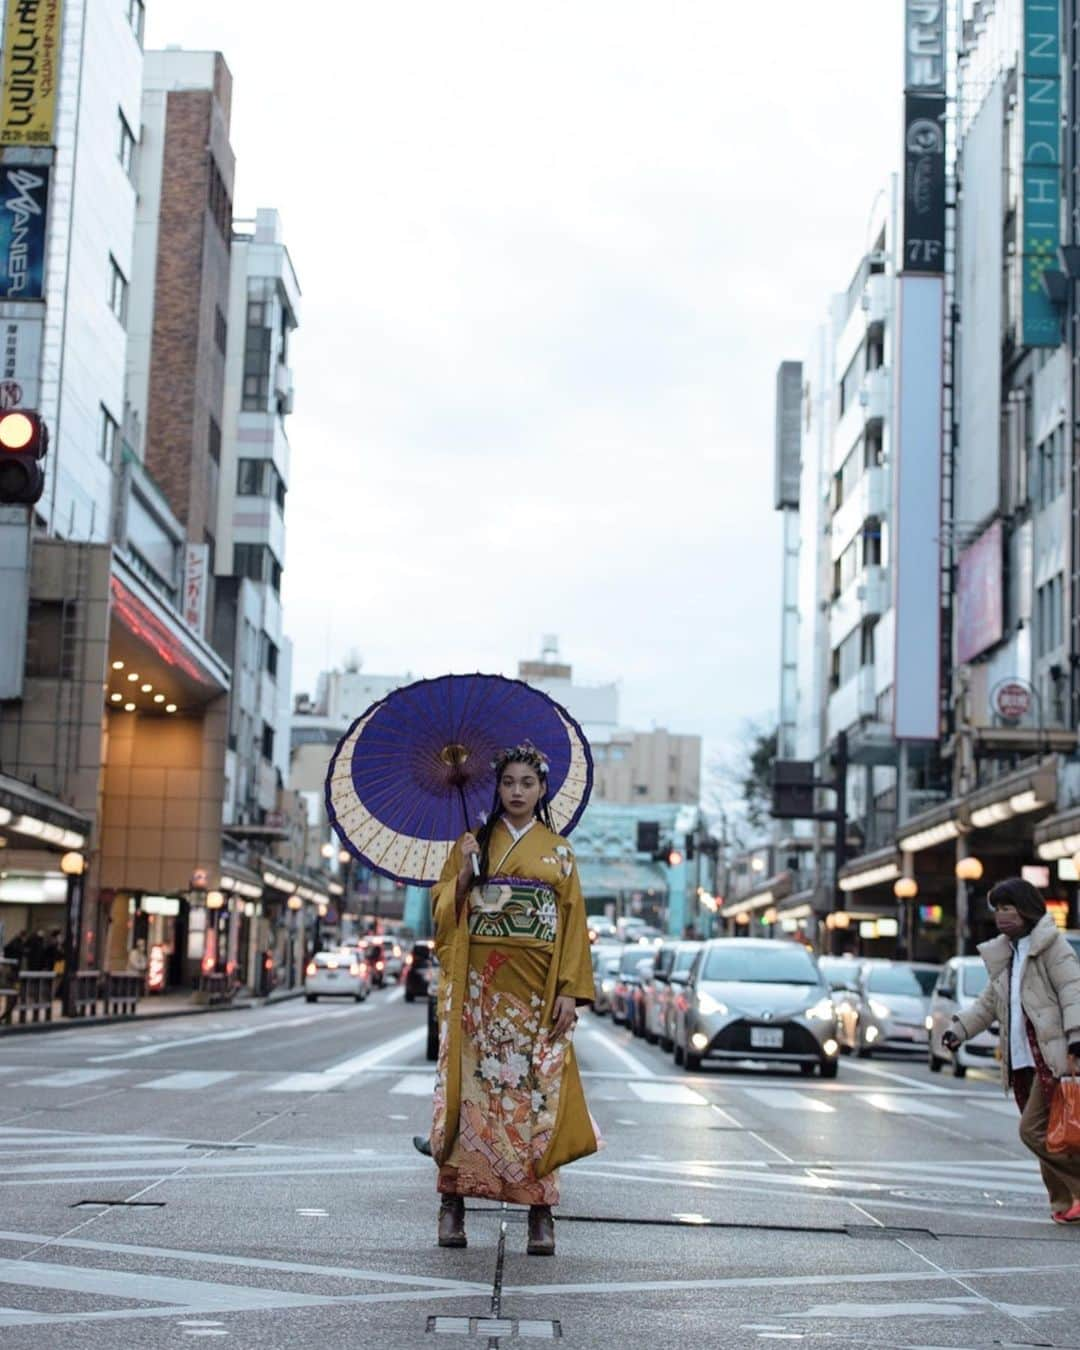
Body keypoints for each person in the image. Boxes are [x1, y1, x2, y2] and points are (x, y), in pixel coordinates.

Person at [430, 740, 596, 1255]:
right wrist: (463, 876)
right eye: (508, 783)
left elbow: (572, 925)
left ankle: (540, 1213)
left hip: (537, 991)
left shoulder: (560, 852)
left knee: (537, 1098)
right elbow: (441, 911)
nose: (517, 791)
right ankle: (453, 1203)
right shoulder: (471, 843)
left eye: (528, 783)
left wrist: (570, 990)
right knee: (468, 1094)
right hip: (480, 989)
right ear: (496, 790)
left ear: (543, 789)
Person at [943, 877, 1080, 1223]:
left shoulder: (1052, 947)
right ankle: (1064, 1205)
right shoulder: (1008, 954)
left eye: (1008, 908)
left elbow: (1072, 991)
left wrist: (1077, 1036)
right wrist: (959, 1030)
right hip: (1021, 1058)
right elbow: (988, 1003)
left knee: (1032, 1131)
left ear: (1027, 910)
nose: (1002, 916)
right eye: (997, 910)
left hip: (1049, 1054)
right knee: (1050, 1134)